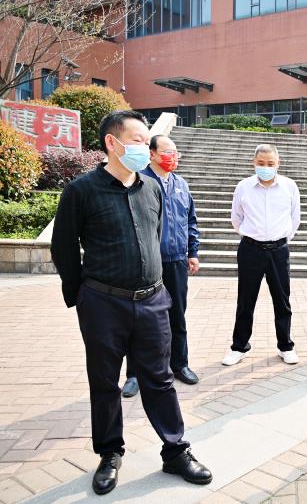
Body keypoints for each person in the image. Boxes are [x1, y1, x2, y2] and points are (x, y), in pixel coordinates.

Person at [50, 110, 212, 495]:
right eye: (138, 140)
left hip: (152, 300)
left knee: (160, 379)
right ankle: (109, 454)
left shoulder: (151, 188)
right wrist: (80, 296)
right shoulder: (81, 191)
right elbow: (63, 248)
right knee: (105, 382)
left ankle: (175, 450)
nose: (146, 147)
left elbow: (155, 236)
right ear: (112, 142)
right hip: (103, 304)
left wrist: (158, 287)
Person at [122, 134, 200, 398]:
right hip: (147, 263)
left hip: (176, 260)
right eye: (167, 152)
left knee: (177, 315)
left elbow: (190, 221)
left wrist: (192, 252)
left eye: (175, 152)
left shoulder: (181, 184)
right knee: (140, 320)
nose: (173, 157)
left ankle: (180, 365)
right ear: (151, 154)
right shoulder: (138, 182)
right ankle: (134, 374)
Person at [222, 144, 301, 366]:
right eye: (261, 163)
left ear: (278, 164)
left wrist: (281, 239)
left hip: (278, 250)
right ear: (253, 163)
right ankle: (239, 346)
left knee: (282, 300)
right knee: (245, 300)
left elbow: (295, 217)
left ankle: (285, 346)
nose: (266, 167)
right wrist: (253, 236)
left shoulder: (289, 186)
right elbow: (236, 218)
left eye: (270, 164)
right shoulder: (243, 187)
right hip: (251, 249)